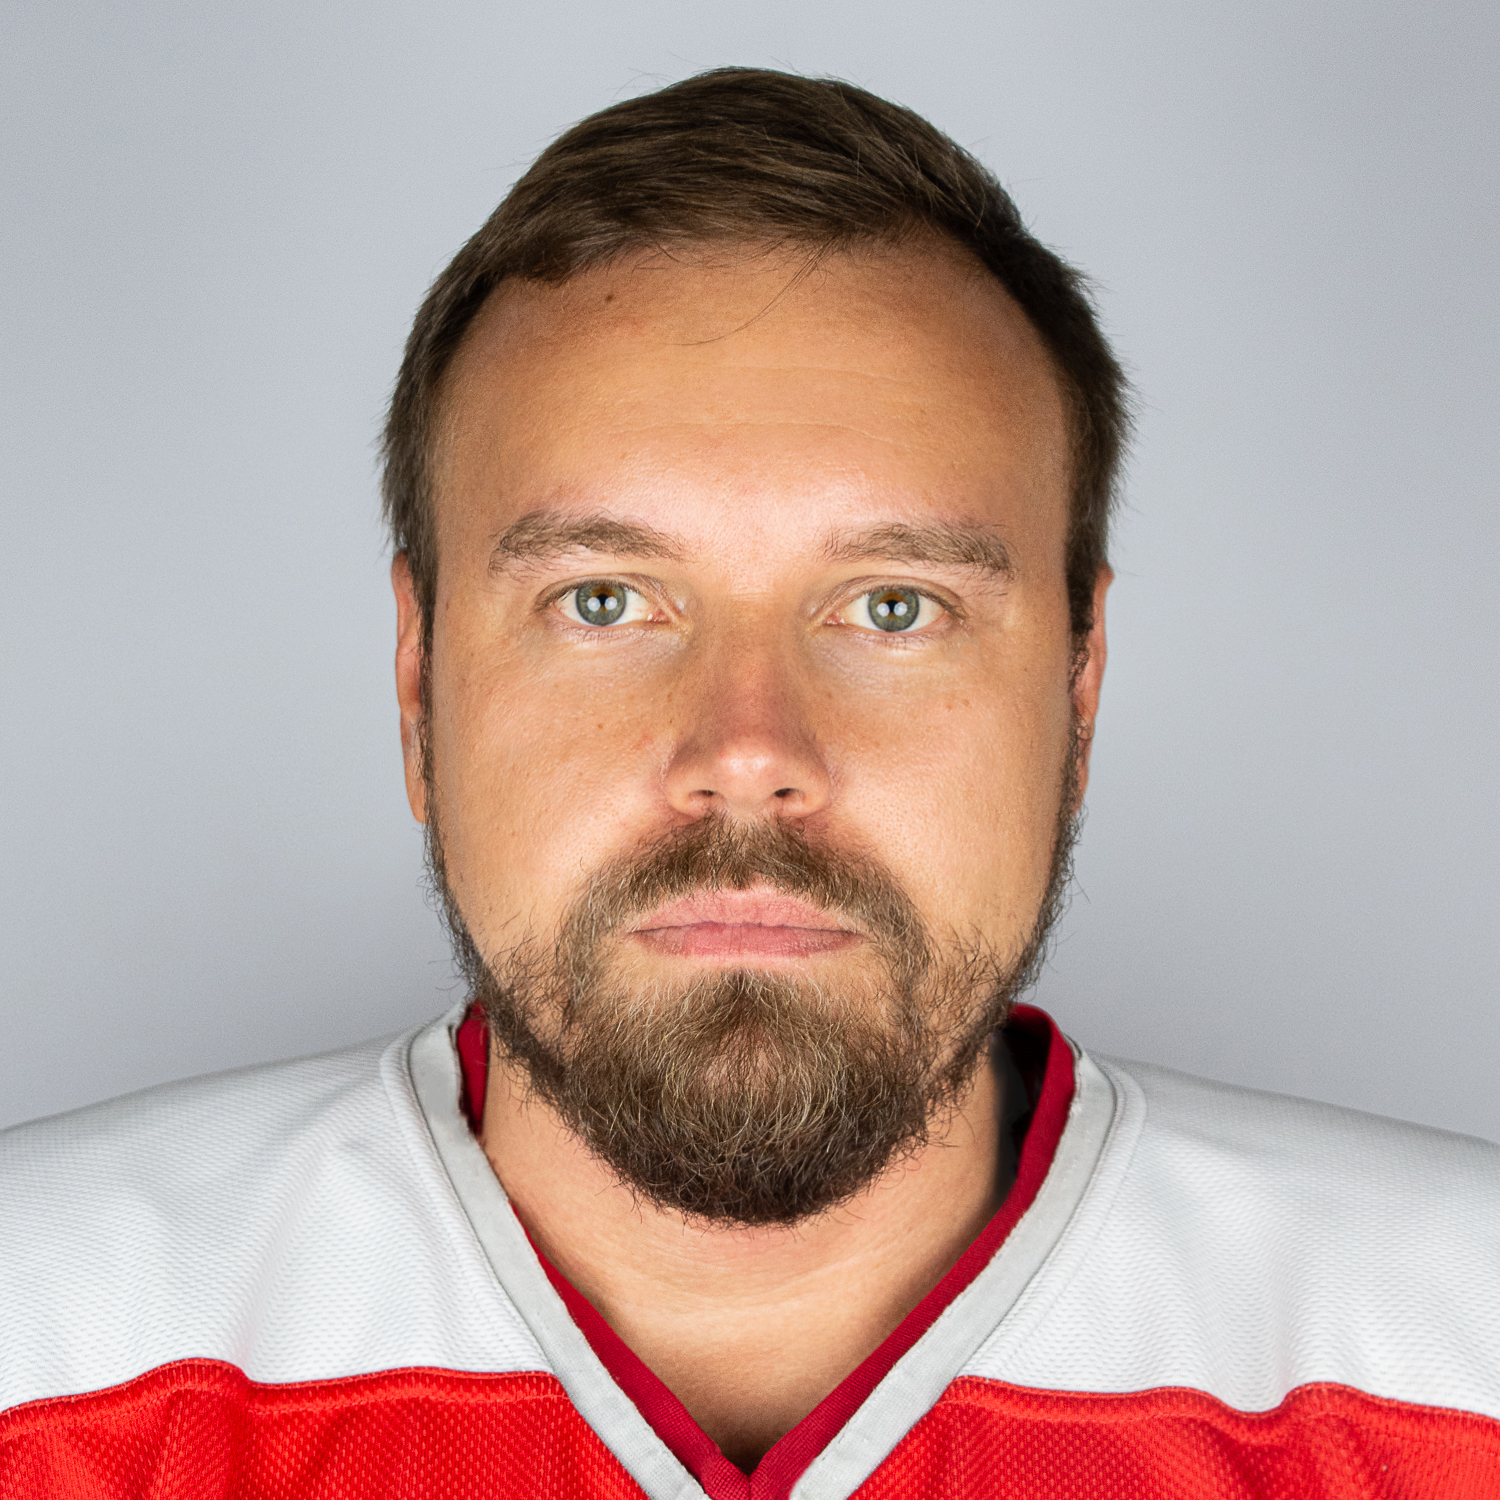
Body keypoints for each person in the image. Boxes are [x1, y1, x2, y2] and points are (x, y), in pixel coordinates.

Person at [2, 66, 1497, 1500]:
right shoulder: (42, 1341)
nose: (748, 752)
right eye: (601, 601)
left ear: (1079, 690)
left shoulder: (1458, 1356)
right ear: (417, 683)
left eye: (895, 607)